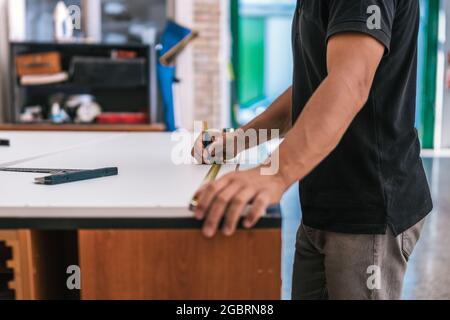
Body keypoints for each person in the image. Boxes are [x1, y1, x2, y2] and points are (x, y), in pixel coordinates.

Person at [191, 0, 433, 300]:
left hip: (367, 209)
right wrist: (237, 141)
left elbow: (349, 82)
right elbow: (314, 88)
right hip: (322, 202)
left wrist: (274, 175)